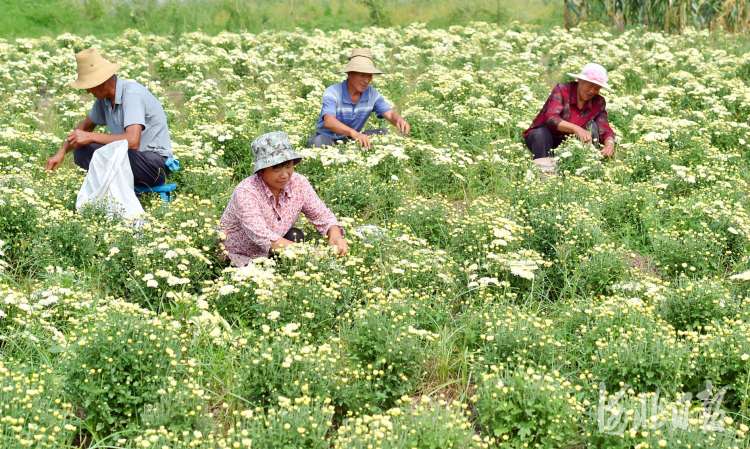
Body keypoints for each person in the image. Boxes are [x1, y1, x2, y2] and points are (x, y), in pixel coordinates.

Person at [44, 48, 174, 187]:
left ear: (102, 81)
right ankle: (101, 196)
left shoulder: (132, 94)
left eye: (89, 86)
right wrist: (61, 152)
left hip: (153, 166)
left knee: (102, 151)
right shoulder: (104, 100)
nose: (87, 91)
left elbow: (133, 141)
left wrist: (92, 137)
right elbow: (86, 127)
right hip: (130, 159)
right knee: (83, 150)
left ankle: (104, 194)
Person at [219, 131, 348, 266]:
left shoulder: (299, 183)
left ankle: (279, 264)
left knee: (295, 235)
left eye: (288, 166)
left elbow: (323, 216)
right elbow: (261, 236)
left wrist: (336, 236)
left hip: (274, 250)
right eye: (276, 169)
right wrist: (308, 252)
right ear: (261, 170)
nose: (285, 175)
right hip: (239, 255)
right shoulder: (246, 191)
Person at [307, 49, 410, 150]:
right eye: (362, 75)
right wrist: (354, 133)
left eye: (369, 76)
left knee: (384, 133)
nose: (366, 80)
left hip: (352, 140)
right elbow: (329, 121)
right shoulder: (333, 92)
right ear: (349, 73)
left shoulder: (372, 94)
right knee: (319, 143)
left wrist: (399, 120)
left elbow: (391, 114)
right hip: (328, 138)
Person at [524, 63, 616, 167]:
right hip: (544, 138)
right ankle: (544, 172)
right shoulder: (562, 90)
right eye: (590, 86)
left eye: (597, 88)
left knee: (593, 127)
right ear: (580, 81)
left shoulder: (599, 102)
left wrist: (610, 143)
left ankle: (588, 167)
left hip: (570, 143)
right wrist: (576, 129)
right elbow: (550, 118)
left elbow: (604, 127)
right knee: (541, 134)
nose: (592, 91)